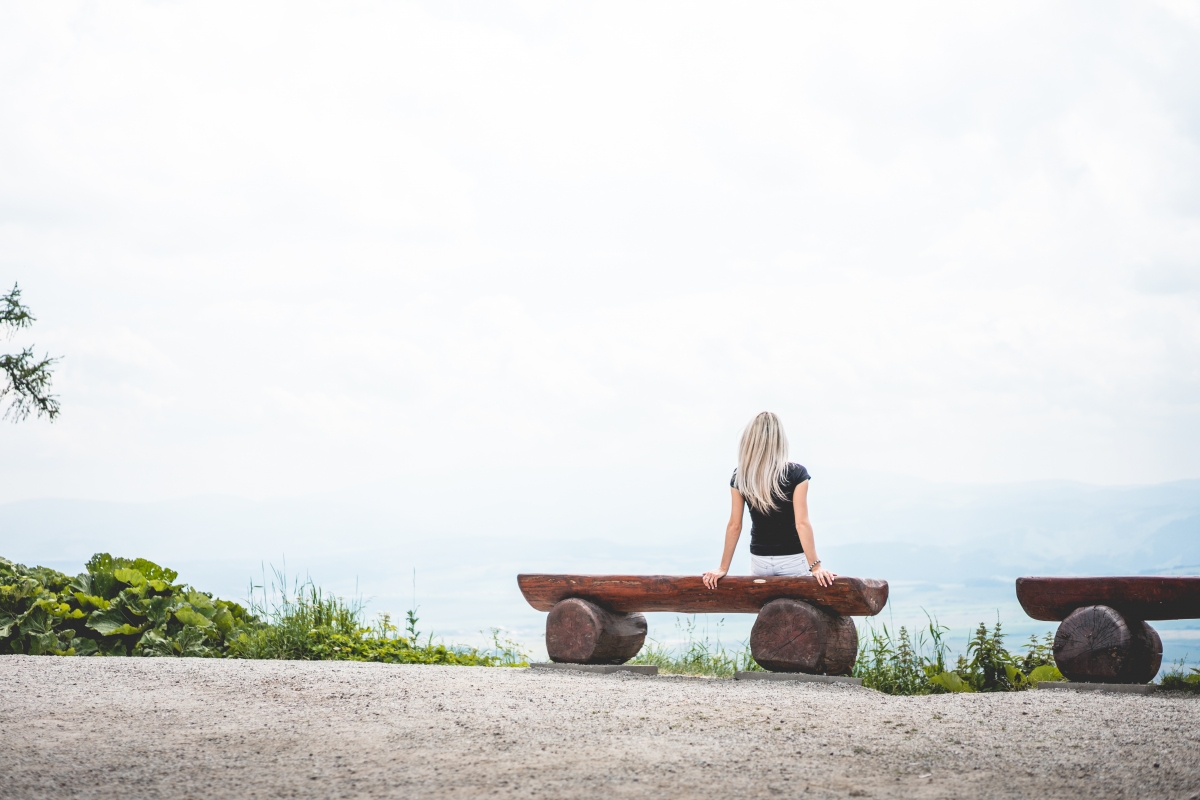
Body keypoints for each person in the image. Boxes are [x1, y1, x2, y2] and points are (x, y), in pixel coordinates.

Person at [701, 411, 837, 589]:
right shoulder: (797, 473)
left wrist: (723, 568)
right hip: (793, 559)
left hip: (760, 561)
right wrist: (816, 566)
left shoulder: (740, 476)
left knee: (768, 610)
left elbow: (734, 525)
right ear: (779, 439)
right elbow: (801, 524)